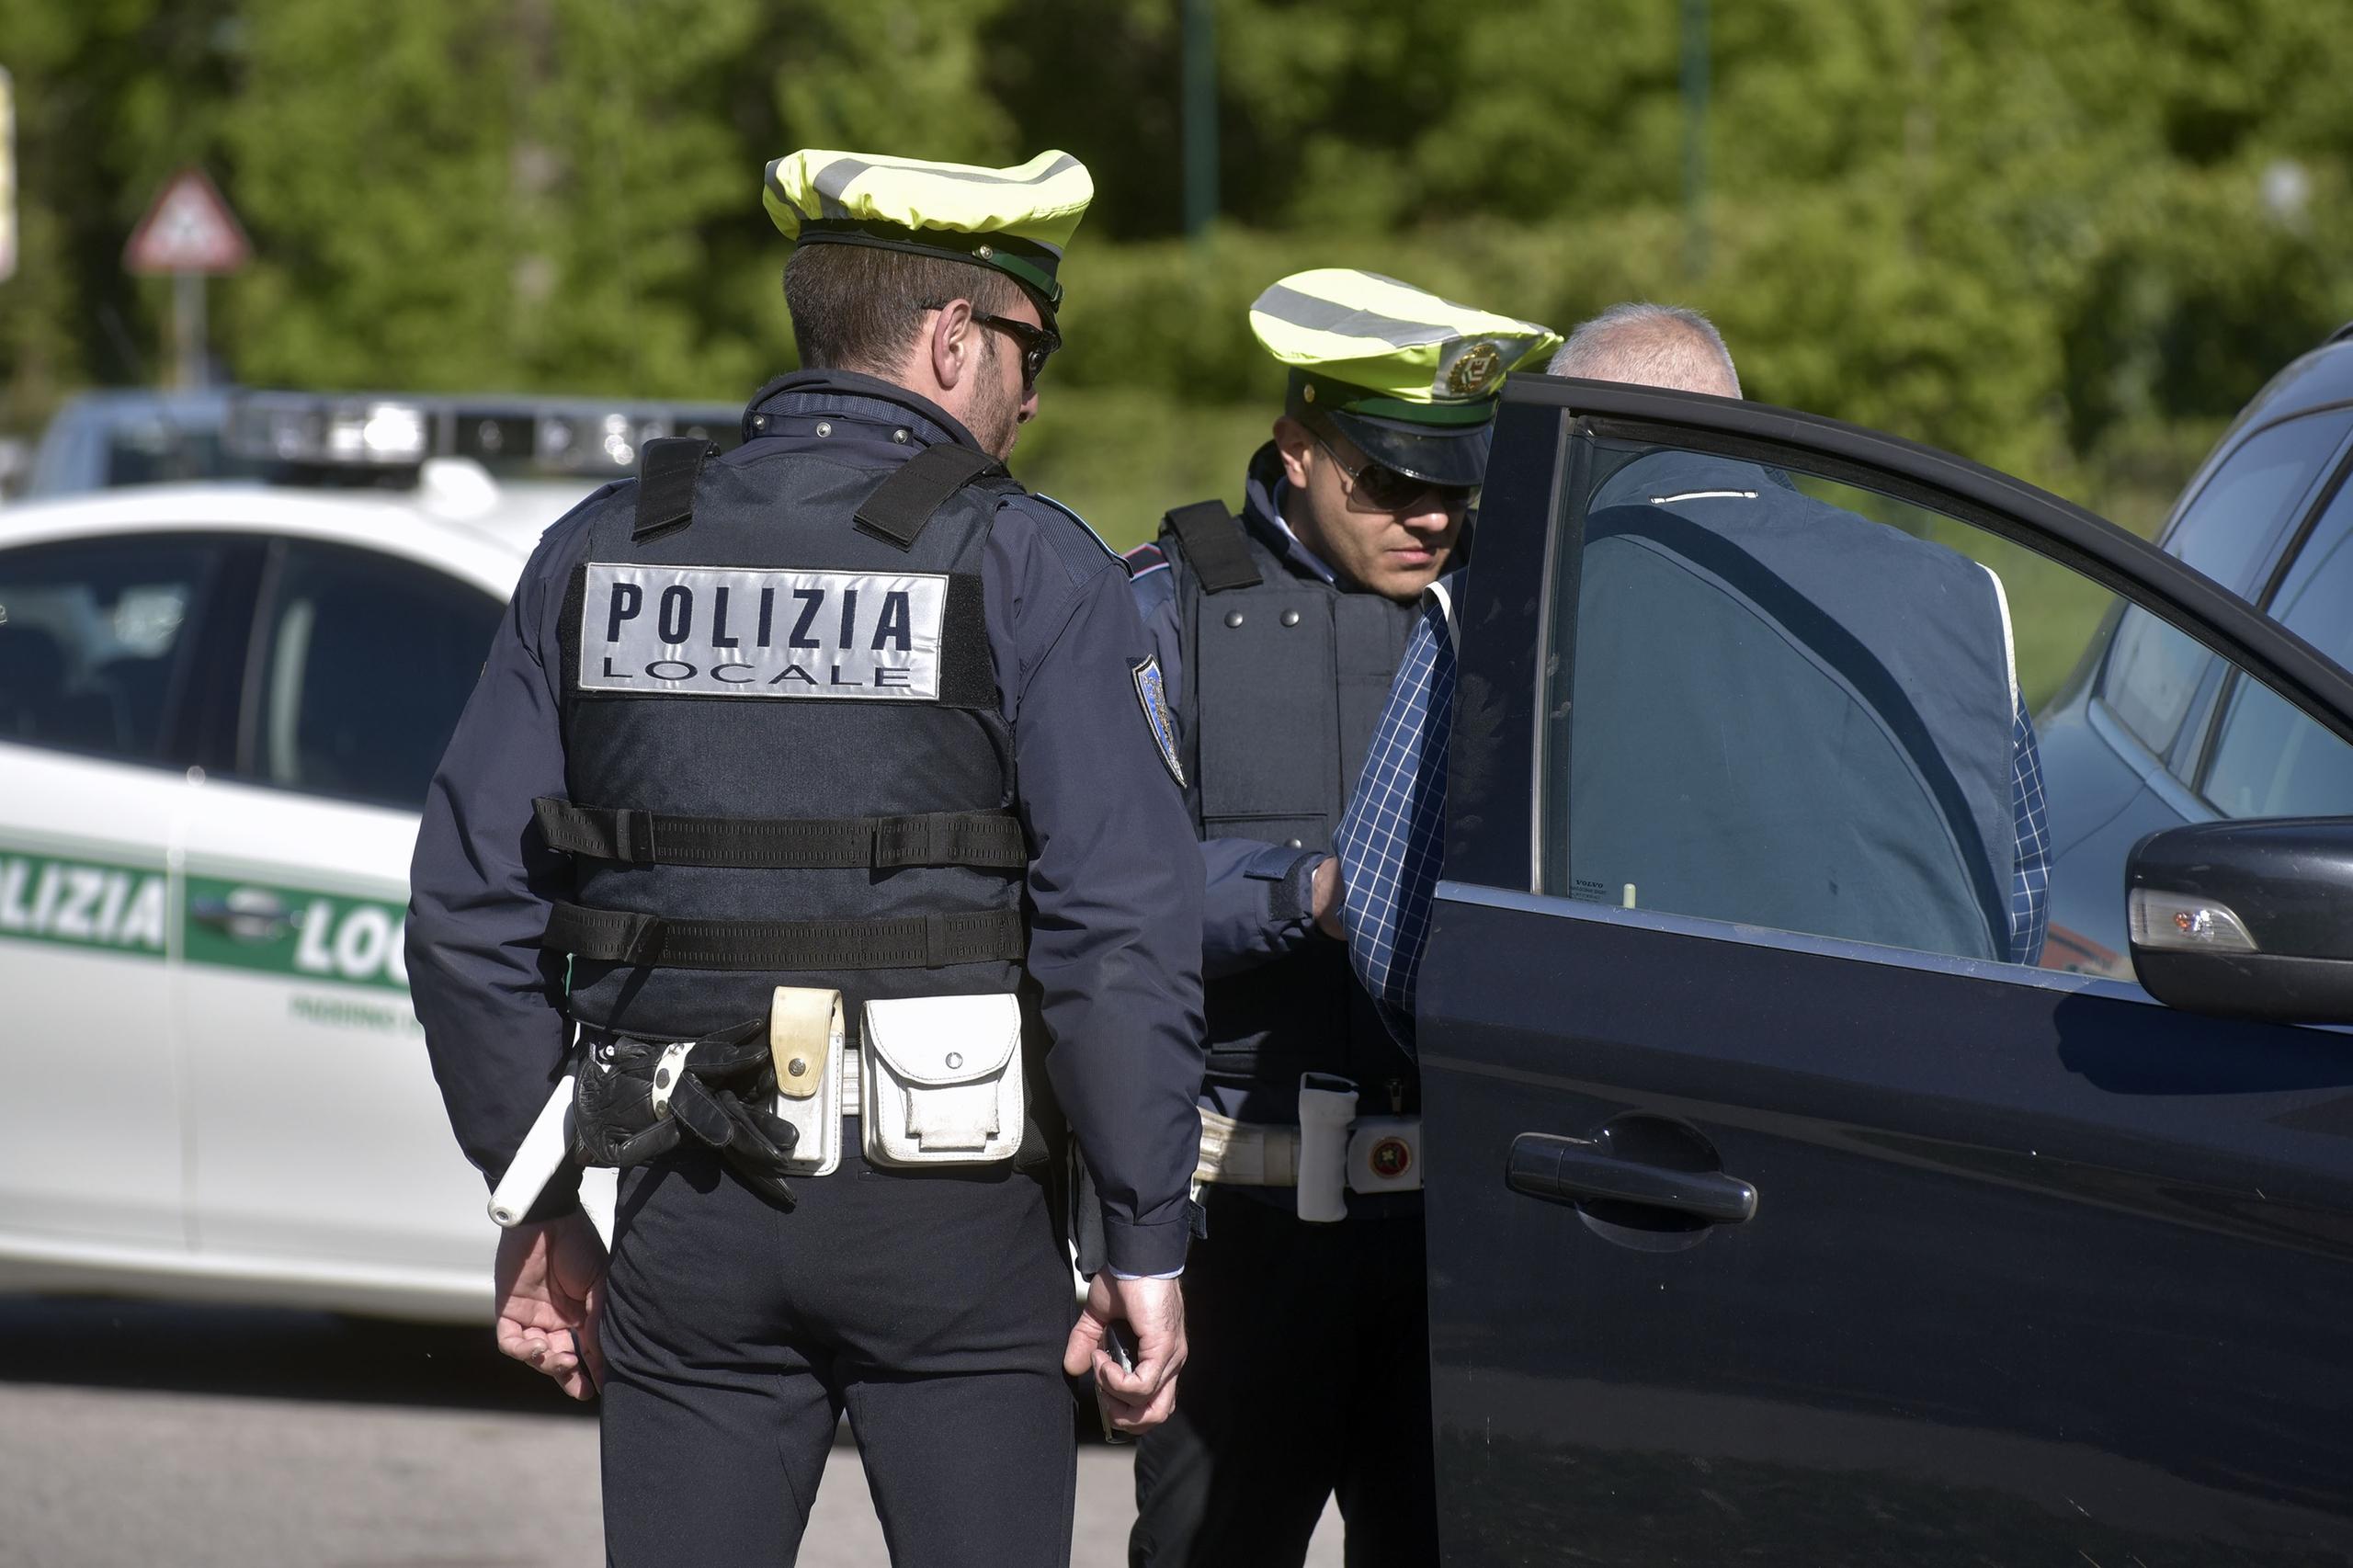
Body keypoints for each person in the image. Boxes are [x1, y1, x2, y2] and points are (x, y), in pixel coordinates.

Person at [405, 147, 1206, 1567]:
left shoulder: (602, 546)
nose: (1036, 392)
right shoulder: (1028, 567)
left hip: (683, 1202)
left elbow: (469, 909)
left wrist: (532, 1196)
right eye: (1033, 349)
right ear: (955, 338)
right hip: (954, 1225)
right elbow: (1120, 928)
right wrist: (1143, 1240)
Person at [1121, 267, 1558, 1567]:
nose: (1431, 514)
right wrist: (1314, 893)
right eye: (1390, 478)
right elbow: (1106, 896)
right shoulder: (1167, 608)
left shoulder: (1520, 622)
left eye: (1456, 482)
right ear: (1298, 446)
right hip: (1250, 1231)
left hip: (1466, 1232)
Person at [1333, 301, 2050, 1048]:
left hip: (1606, 1105)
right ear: (1734, 421)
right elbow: (2014, 893)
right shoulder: (1963, 592)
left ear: (1570, 442)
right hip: (1915, 1088)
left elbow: (1393, 926)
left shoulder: (1493, 607)